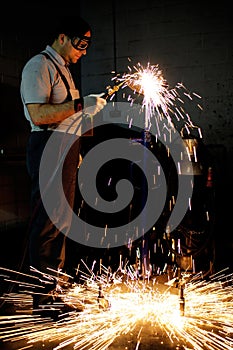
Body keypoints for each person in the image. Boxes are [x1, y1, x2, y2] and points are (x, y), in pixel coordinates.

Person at [20, 15, 107, 314]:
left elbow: (65, 114)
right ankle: (43, 300)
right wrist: (83, 105)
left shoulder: (65, 71)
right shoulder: (39, 66)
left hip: (64, 148)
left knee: (62, 221)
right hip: (47, 148)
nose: (84, 51)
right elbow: (39, 115)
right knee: (48, 223)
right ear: (62, 38)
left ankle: (53, 288)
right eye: (80, 44)